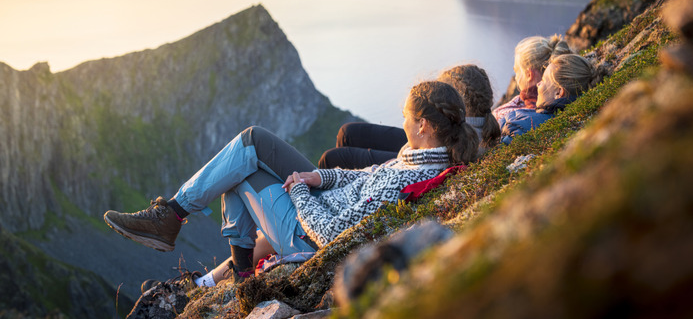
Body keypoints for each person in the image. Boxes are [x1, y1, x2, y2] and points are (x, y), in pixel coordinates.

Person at [104, 80, 478, 288]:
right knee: (247, 148)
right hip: (324, 202)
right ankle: (183, 225)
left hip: (310, 235)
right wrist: (319, 177)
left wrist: (299, 189)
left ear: (425, 125)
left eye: (406, 117)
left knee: (241, 165)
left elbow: (332, 234)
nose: (403, 123)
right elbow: (361, 176)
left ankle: (179, 224)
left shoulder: (408, 175)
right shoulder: (420, 159)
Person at [318, 64, 498, 169]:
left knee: (333, 158)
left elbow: (415, 159)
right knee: (348, 132)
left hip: (422, 153)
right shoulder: (481, 124)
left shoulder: (465, 139)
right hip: (427, 142)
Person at [499, 54, 599, 144]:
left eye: (543, 81)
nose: (538, 84)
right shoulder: (569, 119)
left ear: (558, 92)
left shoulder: (523, 125)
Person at [492, 35, 572, 122]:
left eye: (516, 71)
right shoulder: (564, 99)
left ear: (529, 75)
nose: (516, 77)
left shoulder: (509, 117)